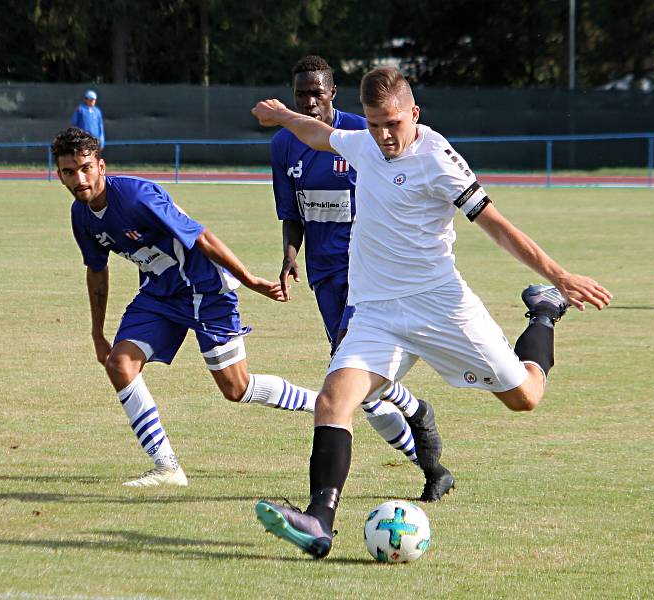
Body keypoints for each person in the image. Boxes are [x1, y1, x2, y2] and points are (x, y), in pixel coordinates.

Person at [251, 67, 612, 559]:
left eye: (393, 124)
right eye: (375, 123)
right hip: (377, 313)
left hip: (441, 307)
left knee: (525, 397)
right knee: (334, 399)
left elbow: (497, 225)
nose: (382, 135)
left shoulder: (438, 159)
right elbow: (319, 135)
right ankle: (320, 521)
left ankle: (544, 313)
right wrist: (284, 116)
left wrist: (560, 275)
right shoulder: (362, 143)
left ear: (414, 114)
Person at [52, 126, 320, 488]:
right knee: (120, 363)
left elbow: (201, 236)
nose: (79, 178)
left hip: (205, 290)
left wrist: (251, 279)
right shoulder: (80, 216)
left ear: (101, 166)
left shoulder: (135, 195)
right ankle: (167, 467)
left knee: (236, 389)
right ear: (59, 174)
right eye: (69, 171)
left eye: (85, 168)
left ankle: (324, 404)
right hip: (159, 295)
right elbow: (97, 273)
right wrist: (97, 333)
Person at [270, 55, 454, 502]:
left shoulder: (361, 134)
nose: (309, 102)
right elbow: (291, 211)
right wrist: (290, 255)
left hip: (369, 272)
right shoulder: (283, 145)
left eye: (317, 92)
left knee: (346, 372)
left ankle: (412, 440)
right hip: (325, 275)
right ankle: (429, 458)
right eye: (301, 94)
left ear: (333, 92)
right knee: (364, 390)